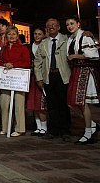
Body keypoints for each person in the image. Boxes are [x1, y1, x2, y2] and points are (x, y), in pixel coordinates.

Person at [34, 18, 72, 142]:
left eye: (54, 25)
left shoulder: (67, 40)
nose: (51, 27)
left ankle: (65, 130)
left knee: (63, 104)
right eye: (49, 26)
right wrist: (39, 78)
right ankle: (53, 130)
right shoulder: (44, 43)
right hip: (49, 76)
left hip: (63, 76)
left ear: (59, 27)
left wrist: (87, 33)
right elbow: (37, 62)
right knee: (52, 104)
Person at [65, 16, 99, 144]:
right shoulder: (71, 38)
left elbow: (93, 54)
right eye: (68, 24)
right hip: (75, 71)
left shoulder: (85, 36)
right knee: (72, 101)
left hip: (84, 70)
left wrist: (74, 56)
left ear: (78, 24)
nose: (70, 26)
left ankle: (88, 131)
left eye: (72, 23)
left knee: (82, 101)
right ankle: (92, 124)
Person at [0, 25, 30, 137]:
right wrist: (4, 64)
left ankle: (20, 128)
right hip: (6, 80)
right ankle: (5, 127)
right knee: (4, 103)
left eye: (14, 34)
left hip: (18, 80)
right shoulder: (4, 48)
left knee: (19, 103)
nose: (11, 36)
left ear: (17, 35)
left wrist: (14, 65)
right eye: (9, 34)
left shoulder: (23, 48)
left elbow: (27, 63)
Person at [26, 27, 48, 137]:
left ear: (43, 35)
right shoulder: (30, 46)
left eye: (39, 34)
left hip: (43, 76)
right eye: (35, 34)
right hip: (32, 77)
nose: (37, 36)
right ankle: (38, 126)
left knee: (41, 103)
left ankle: (44, 127)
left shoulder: (45, 45)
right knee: (33, 102)